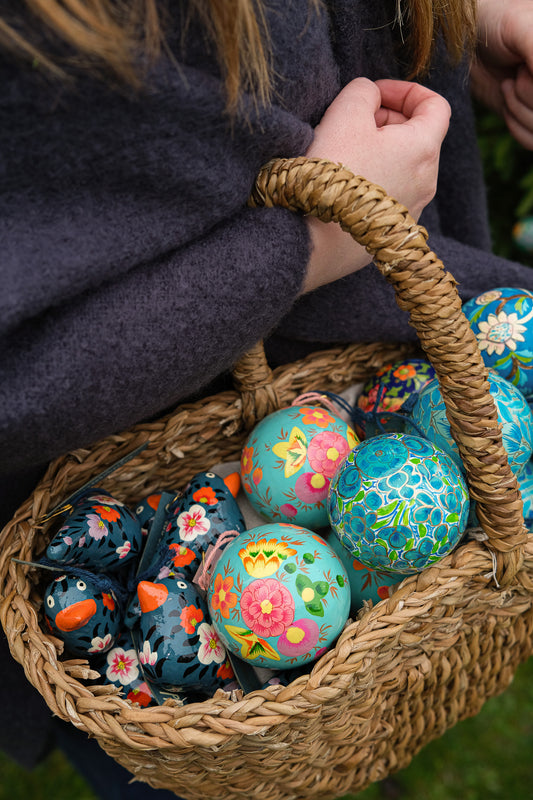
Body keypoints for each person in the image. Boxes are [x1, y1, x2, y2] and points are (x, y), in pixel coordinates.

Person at [1, 0, 533, 797]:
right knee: (215, 749)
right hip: (137, 465)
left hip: (353, 360)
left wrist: (459, 18)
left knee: (349, 715)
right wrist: (311, 242)